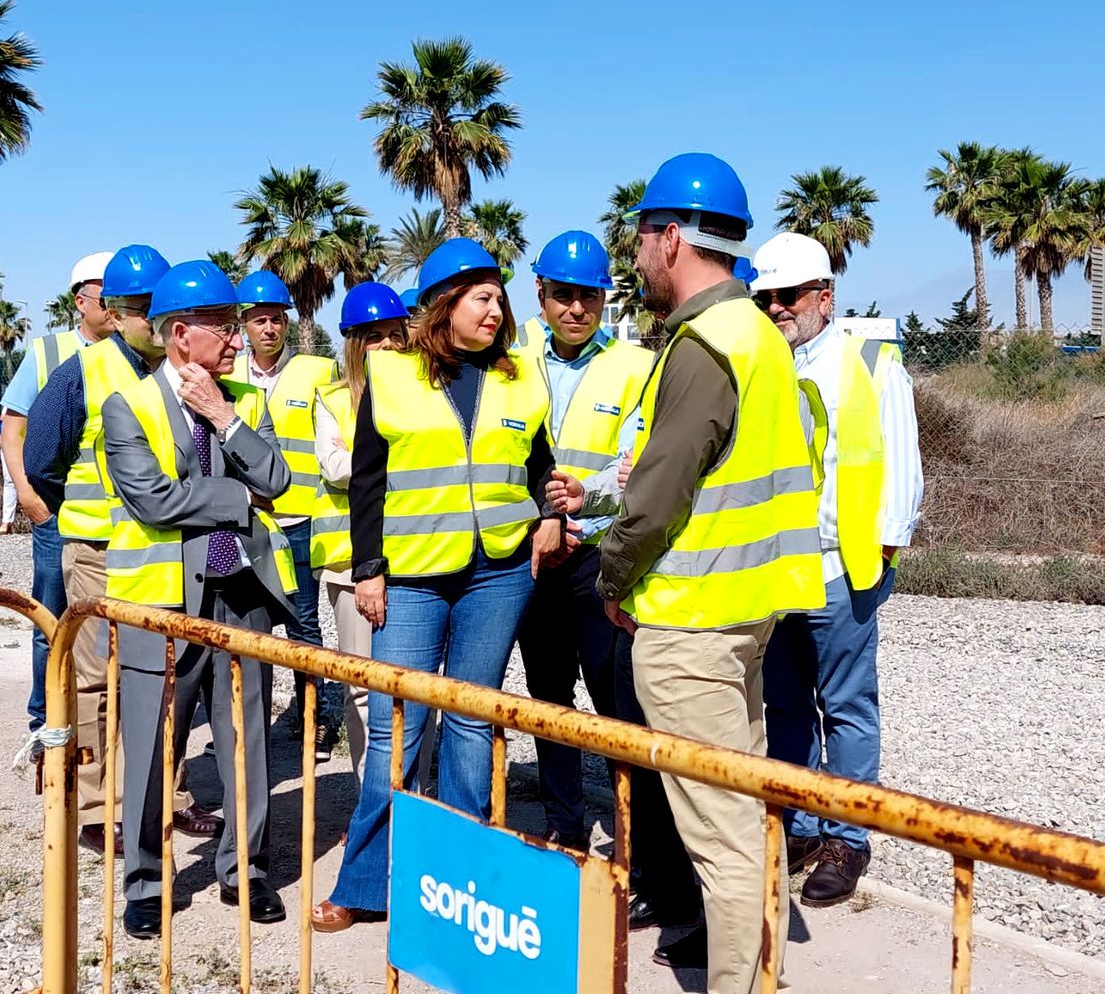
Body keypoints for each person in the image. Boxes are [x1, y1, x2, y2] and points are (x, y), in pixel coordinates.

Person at [596, 153, 825, 993]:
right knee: (747, 821)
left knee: (724, 845)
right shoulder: (761, 336)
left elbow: (657, 497)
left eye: (639, 241)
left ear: (670, 238)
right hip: (746, 616)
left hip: (691, 627)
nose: (636, 258)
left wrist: (612, 576)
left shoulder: (703, 345)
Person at [311, 238, 560, 934]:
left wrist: (550, 513)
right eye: (482, 297)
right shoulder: (391, 373)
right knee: (397, 726)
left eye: (500, 297)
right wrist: (369, 570)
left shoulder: (522, 376)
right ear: (444, 304)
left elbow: (538, 466)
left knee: (472, 723)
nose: (496, 309)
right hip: (413, 577)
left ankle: (460, 884)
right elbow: (367, 481)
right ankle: (365, 884)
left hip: (498, 573)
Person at [100, 260, 297, 940]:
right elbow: (153, 500)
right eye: (225, 325)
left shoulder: (243, 400)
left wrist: (223, 415)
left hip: (241, 593)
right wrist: (239, 498)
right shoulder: (128, 406)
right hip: (161, 605)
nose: (239, 337)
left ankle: (247, 870)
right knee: (154, 748)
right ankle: (146, 883)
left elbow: (279, 478)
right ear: (182, 334)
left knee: (248, 741)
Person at [27, 244, 222, 855]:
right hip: (99, 553)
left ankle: (167, 797)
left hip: (169, 554)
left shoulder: (190, 375)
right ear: (111, 313)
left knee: (168, 684)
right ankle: (94, 808)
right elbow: (42, 461)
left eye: (156, 308)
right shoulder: (80, 374)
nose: (149, 320)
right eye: (137, 309)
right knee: (97, 683)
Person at [749, 231, 923, 907]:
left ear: (825, 296)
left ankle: (847, 838)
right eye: (765, 297)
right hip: (775, 571)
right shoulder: (763, 364)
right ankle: (799, 825)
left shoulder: (870, 363)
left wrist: (883, 550)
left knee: (846, 705)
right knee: (786, 704)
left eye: (788, 295)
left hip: (838, 570)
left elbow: (900, 463)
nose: (776, 307)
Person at [513, 231, 657, 854]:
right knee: (548, 699)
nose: (576, 308)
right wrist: (542, 519)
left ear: (605, 299)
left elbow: (637, 468)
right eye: (564, 295)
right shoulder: (514, 362)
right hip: (535, 554)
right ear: (540, 293)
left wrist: (583, 508)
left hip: (600, 557)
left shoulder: (636, 367)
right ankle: (563, 827)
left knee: (617, 702)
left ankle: (637, 839)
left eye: (589, 297)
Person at [0, 251, 115, 734]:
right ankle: (44, 718)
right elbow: (12, 429)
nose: (116, 307)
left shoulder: (136, 357)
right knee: (50, 618)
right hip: (55, 514)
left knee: (100, 628)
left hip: (111, 522)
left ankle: (96, 718)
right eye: (107, 298)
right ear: (80, 302)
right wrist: (29, 498)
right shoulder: (49, 352)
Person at [226, 269, 335, 754]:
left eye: (276, 319)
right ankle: (241, 725)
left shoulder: (316, 371)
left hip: (299, 519)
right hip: (243, 520)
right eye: (259, 320)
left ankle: (314, 718)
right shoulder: (226, 375)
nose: (269, 328)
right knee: (245, 626)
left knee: (303, 624)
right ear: (244, 324)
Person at [309, 281, 414, 784]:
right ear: (353, 344)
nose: (387, 344)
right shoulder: (333, 399)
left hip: (414, 556)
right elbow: (335, 466)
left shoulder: (422, 396)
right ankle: (372, 795)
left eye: (395, 334)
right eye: (374, 336)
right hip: (350, 567)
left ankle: (411, 797)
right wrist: (399, 460)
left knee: (414, 688)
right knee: (362, 686)